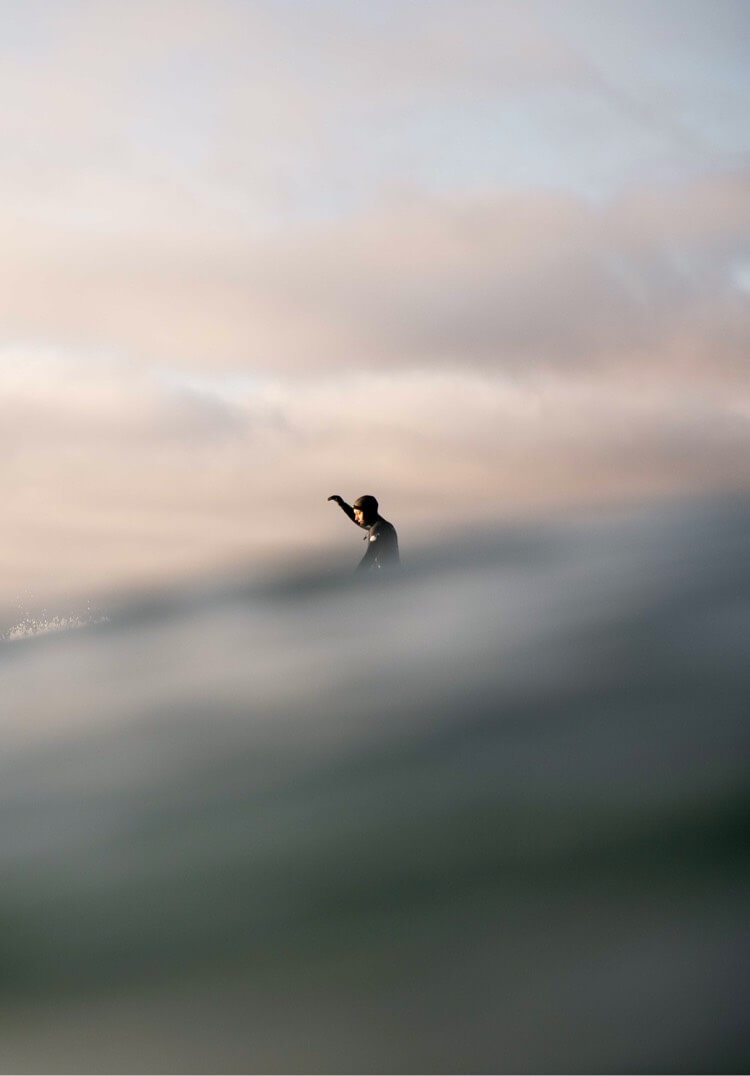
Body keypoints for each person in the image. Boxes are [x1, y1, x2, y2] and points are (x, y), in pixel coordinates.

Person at [327, 493, 400, 572]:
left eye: (358, 514)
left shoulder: (379, 529)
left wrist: (355, 579)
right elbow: (360, 521)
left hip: (387, 581)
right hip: (391, 578)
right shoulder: (382, 525)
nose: (356, 517)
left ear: (368, 512)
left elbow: (369, 557)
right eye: (355, 514)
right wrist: (342, 504)